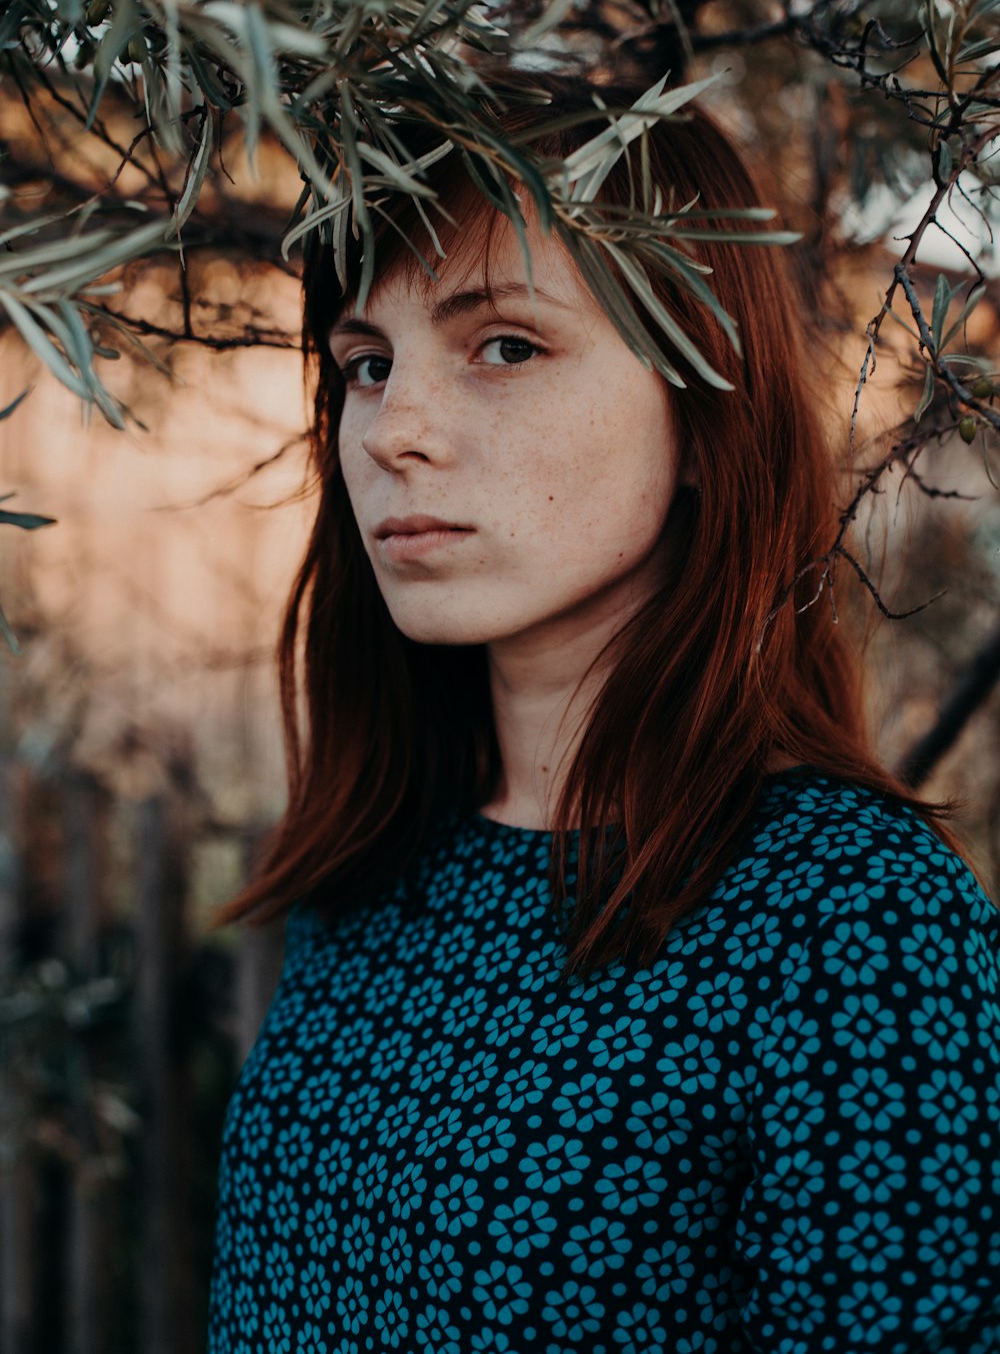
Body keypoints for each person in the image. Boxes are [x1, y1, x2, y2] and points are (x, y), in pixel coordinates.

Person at [206, 72, 1000, 1354]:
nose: (393, 430)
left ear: (700, 405)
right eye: (364, 364)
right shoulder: (374, 865)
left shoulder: (849, 924)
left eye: (504, 345)